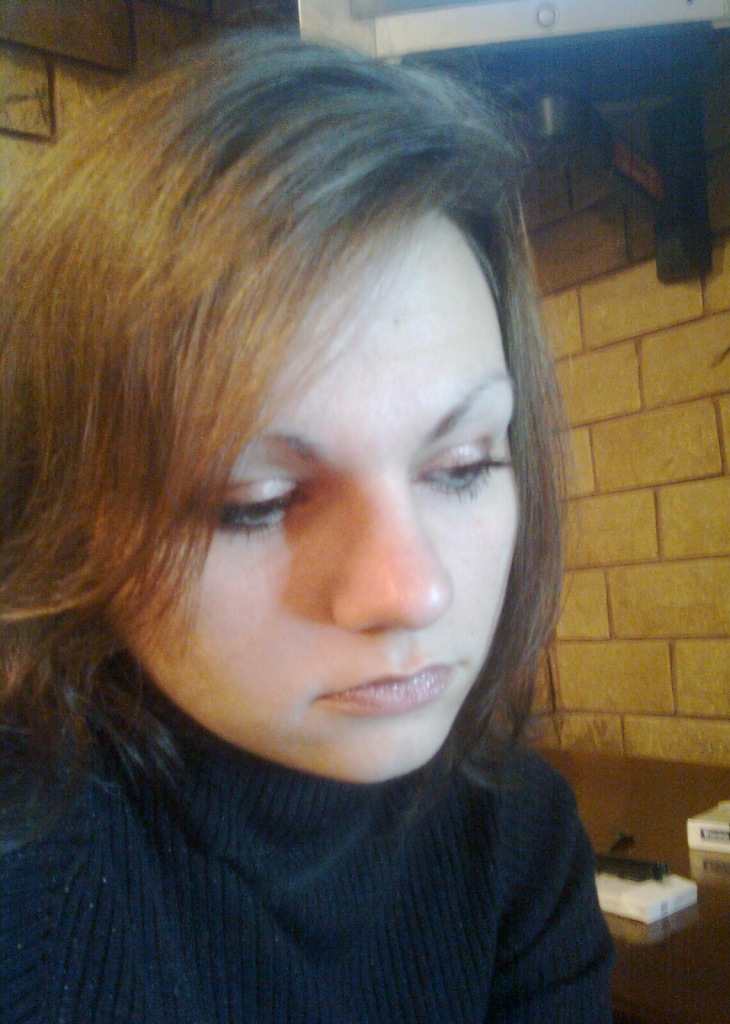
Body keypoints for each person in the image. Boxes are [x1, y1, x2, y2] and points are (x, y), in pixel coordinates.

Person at [0, 30, 613, 1023]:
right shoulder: (30, 894)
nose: (413, 591)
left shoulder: (520, 841)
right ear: (67, 518)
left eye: (462, 466)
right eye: (256, 501)